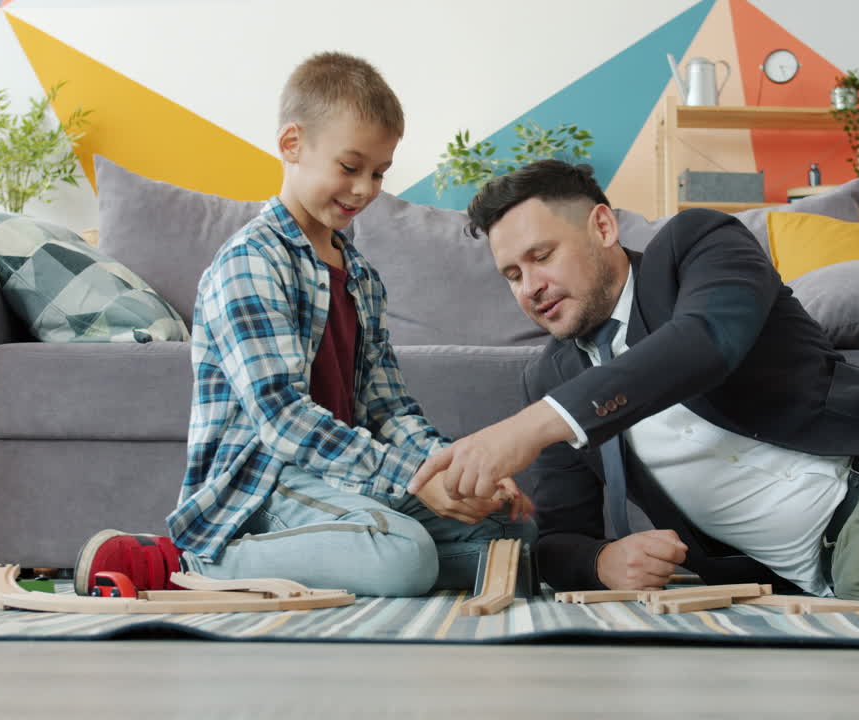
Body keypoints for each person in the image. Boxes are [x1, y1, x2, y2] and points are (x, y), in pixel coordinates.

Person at [408, 159, 859, 606]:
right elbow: (562, 536)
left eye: (541, 256)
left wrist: (535, 423)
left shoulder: (697, 244)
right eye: (512, 274)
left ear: (601, 227)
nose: (530, 287)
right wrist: (600, 559)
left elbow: (708, 343)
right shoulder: (555, 373)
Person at [73, 52, 533, 598]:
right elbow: (283, 419)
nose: (365, 188)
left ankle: (366, 552)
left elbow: (390, 411)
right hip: (268, 484)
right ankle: (196, 558)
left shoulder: (361, 277)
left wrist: (455, 475)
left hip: (344, 479)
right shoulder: (251, 261)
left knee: (512, 538)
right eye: (350, 166)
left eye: (379, 172)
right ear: (292, 145)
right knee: (403, 556)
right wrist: (411, 482)